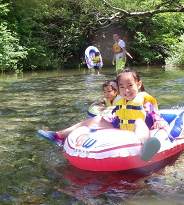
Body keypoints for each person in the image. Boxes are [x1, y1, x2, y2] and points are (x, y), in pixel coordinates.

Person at [37, 68, 168, 162]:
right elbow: (117, 115)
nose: (126, 90)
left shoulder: (144, 101)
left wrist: (159, 121)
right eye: (122, 87)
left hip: (141, 126)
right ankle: (59, 135)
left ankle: (146, 148)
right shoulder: (120, 101)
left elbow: (155, 113)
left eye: (130, 86)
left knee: (139, 121)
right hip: (122, 126)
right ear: (118, 88)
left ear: (138, 85)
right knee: (96, 119)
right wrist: (104, 119)